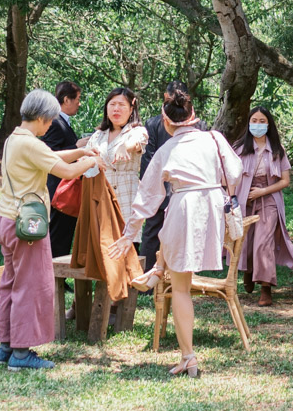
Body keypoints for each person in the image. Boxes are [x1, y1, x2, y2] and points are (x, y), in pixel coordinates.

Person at [112, 88, 242, 379]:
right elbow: (234, 172)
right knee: (175, 258)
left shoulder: (167, 150)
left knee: (181, 288)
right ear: (193, 117)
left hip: (185, 207)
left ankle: (189, 357)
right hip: (212, 208)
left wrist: (128, 233)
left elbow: (147, 198)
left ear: (166, 121)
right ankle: (159, 268)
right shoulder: (214, 138)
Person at [0, 89, 99, 371]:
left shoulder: (16, 138)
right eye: (50, 120)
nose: (51, 124)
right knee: (30, 286)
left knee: (11, 283)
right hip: (26, 226)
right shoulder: (30, 144)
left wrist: (80, 151)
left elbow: (50, 156)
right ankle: (21, 352)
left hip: (6, 219)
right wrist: (93, 161)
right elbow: (64, 171)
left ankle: (6, 346)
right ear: (41, 117)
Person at [231, 105, 293, 306]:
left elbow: (285, 181)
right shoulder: (239, 148)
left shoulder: (277, 149)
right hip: (245, 199)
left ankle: (265, 288)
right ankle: (248, 271)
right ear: (248, 123)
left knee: (264, 242)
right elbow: (229, 176)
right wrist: (239, 195)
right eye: (254, 120)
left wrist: (262, 191)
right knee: (245, 241)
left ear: (268, 124)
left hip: (269, 198)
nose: (257, 125)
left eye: (262, 121)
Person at [138, 80, 190, 271]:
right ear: (164, 99)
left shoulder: (199, 126)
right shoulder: (153, 123)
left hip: (185, 190)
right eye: (169, 101)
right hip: (159, 187)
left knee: (183, 234)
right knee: (152, 231)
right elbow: (148, 160)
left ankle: (179, 275)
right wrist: (152, 188)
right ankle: (147, 275)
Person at [88, 87, 148, 227]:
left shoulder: (137, 131)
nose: (116, 109)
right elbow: (85, 161)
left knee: (128, 243)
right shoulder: (98, 135)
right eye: (112, 104)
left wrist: (124, 146)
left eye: (121, 105)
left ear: (131, 109)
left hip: (127, 196)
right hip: (101, 197)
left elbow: (137, 142)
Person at [42, 80, 82, 261]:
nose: (79, 104)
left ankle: (59, 275)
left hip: (65, 188)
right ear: (66, 100)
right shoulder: (55, 123)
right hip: (58, 190)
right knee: (57, 236)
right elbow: (49, 155)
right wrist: (77, 147)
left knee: (64, 235)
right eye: (77, 99)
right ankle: (54, 275)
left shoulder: (62, 122)